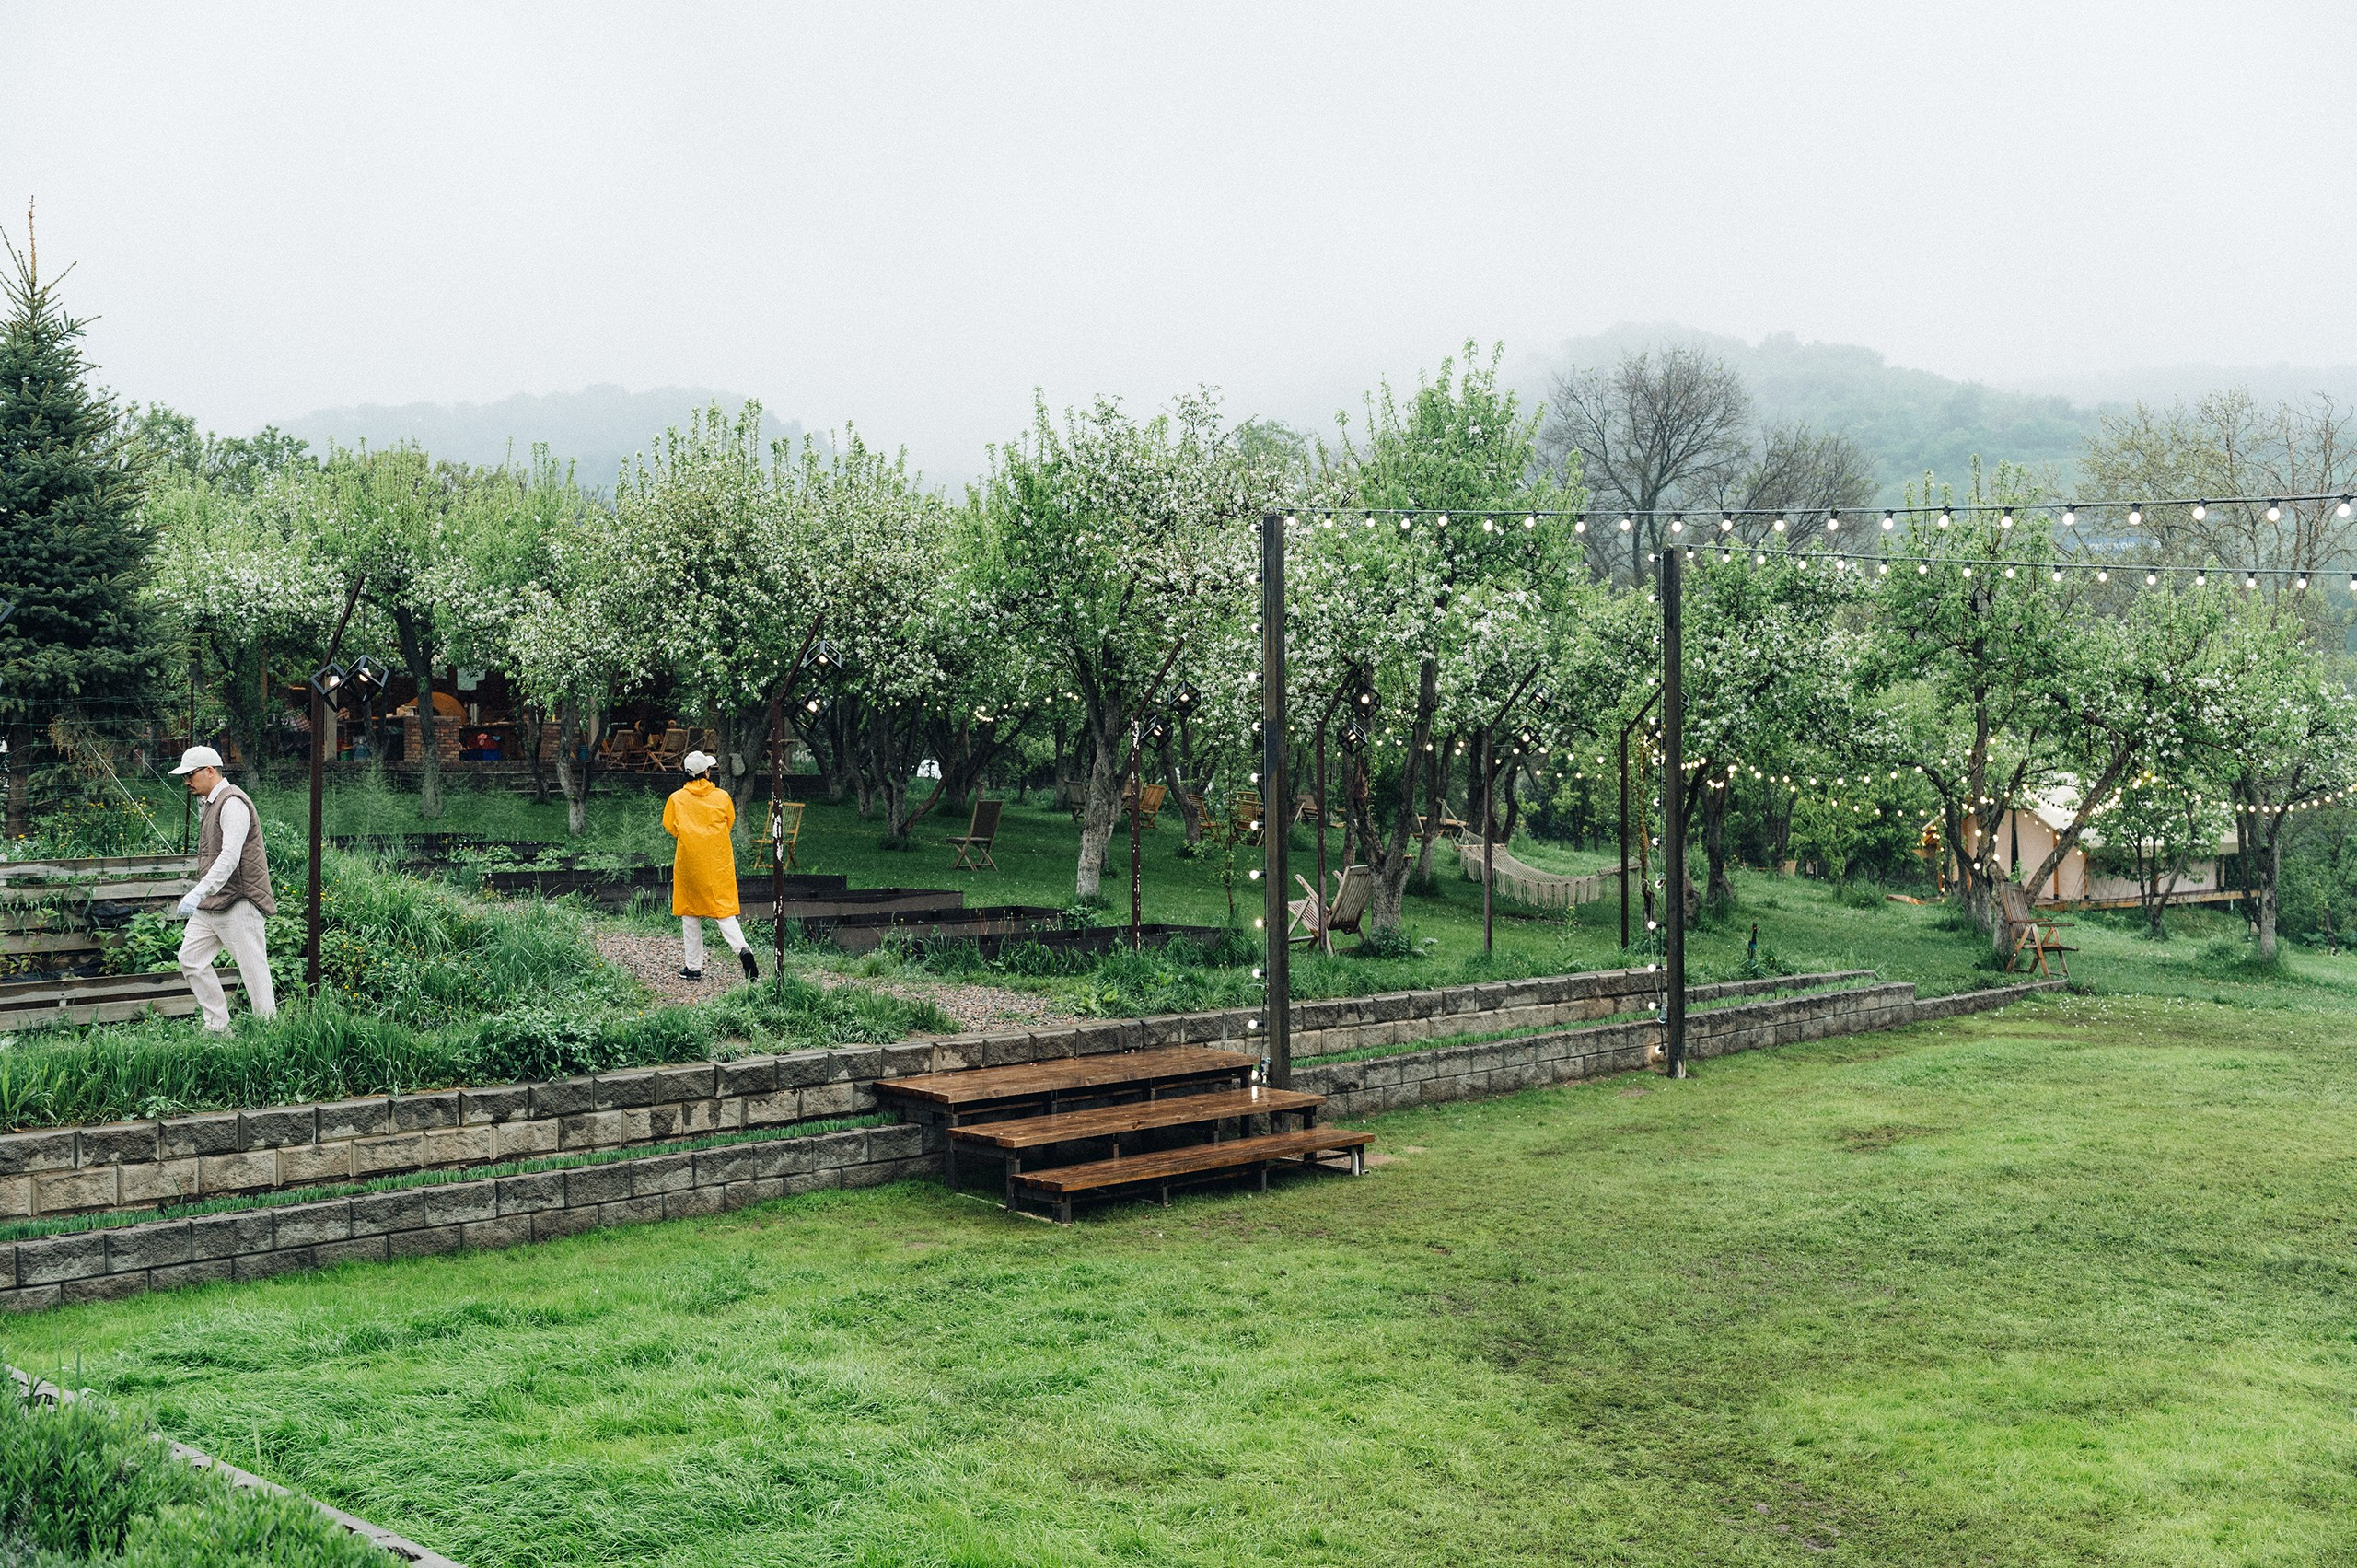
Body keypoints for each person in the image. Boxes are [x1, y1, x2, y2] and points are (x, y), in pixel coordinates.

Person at [168, 745, 279, 1032]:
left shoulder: (233, 804)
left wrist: (197, 892)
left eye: (190, 775)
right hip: (213, 903)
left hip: (240, 901)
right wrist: (204, 895)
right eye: (184, 777)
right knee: (190, 959)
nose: (186, 782)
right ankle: (218, 1028)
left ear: (210, 770)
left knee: (254, 972)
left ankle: (269, 1035)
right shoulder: (210, 803)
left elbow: (230, 857)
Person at [664, 749, 759, 983]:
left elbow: (671, 826)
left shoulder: (676, 799)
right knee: (724, 911)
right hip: (718, 863)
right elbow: (729, 821)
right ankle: (742, 949)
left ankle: (693, 967)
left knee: (689, 914)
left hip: (689, 862)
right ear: (706, 772)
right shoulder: (722, 797)